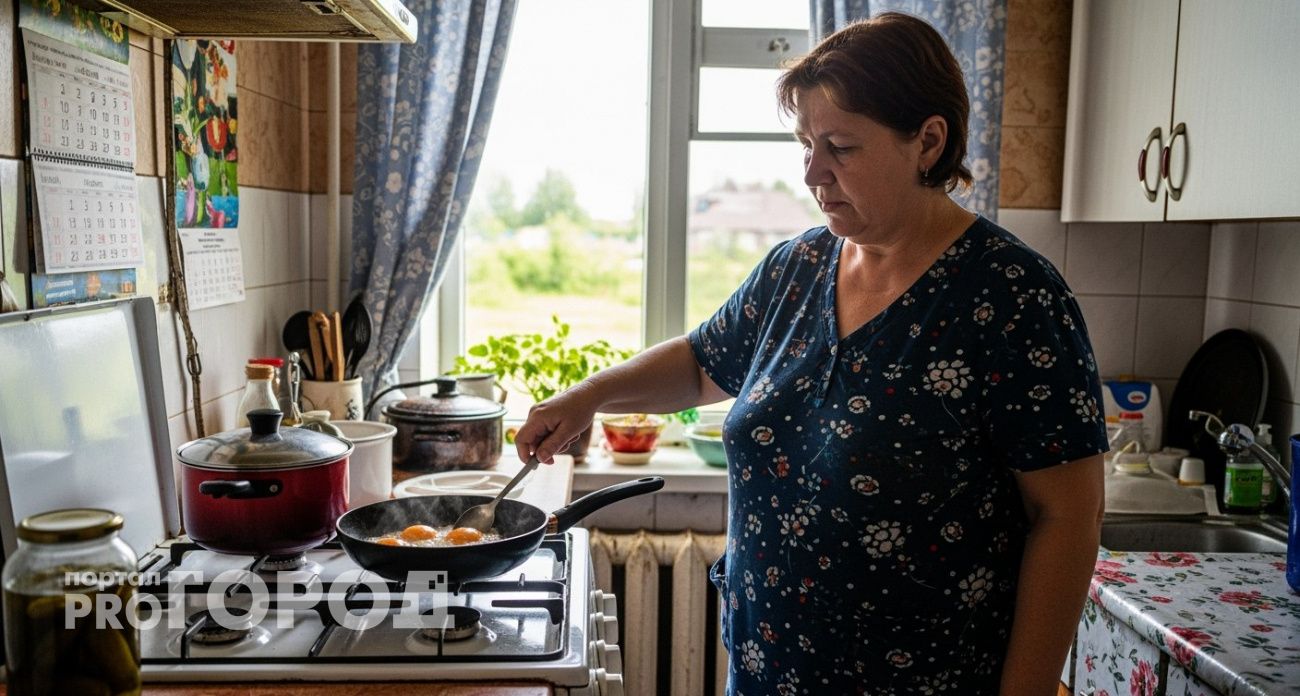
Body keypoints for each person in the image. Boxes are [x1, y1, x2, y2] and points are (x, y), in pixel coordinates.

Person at [515, 12, 1106, 695]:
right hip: (765, 674)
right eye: (804, 143)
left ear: (928, 141)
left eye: (841, 147)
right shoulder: (796, 266)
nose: (812, 172)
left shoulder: (1011, 295)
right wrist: (587, 395)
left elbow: (1066, 517)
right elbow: (705, 362)